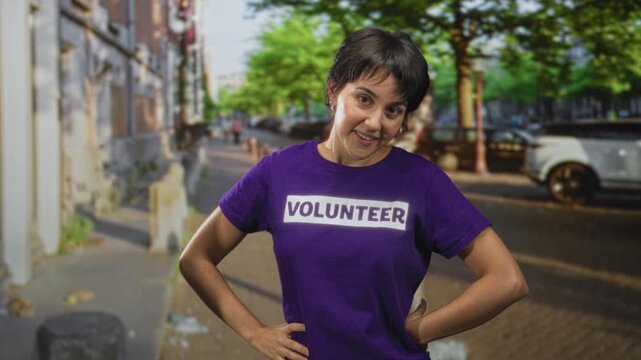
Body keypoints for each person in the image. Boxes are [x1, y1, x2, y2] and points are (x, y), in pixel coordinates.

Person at [179, 27, 528, 360]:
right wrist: (254, 332)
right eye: (365, 99)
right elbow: (196, 258)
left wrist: (422, 330)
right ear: (334, 92)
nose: (376, 122)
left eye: (393, 110)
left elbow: (506, 280)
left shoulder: (422, 181)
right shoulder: (278, 172)